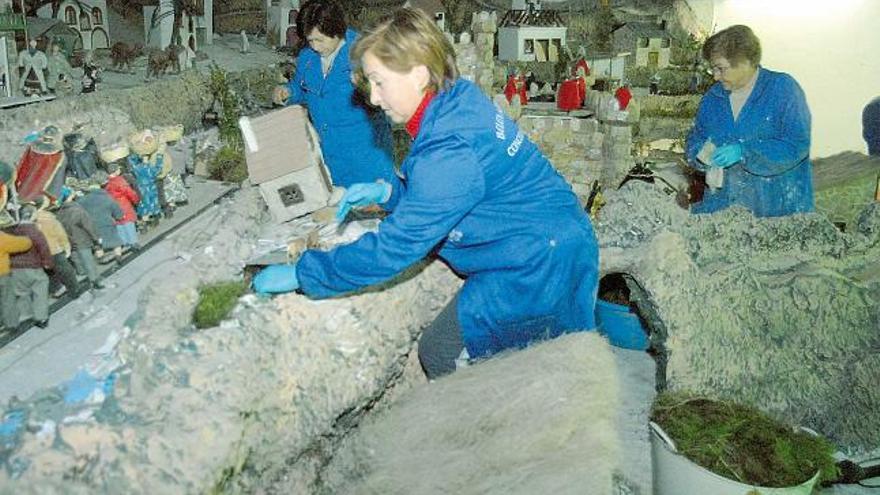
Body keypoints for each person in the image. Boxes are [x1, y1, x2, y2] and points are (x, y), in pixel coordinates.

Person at [254, 8, 599, 379]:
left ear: (418, 75)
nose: (373, 98)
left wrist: (304, 274)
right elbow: (448, 197)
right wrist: (389, 194)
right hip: (546, 237)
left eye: (379, 82)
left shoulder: (449, 151)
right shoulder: (457, 98)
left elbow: (396, 246)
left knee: (451, 355)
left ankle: (481, 429)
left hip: (534, 262)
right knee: (547, 367)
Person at [685, 25, 814, 217]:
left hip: (775, 207)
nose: (715, 76)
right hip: (723, 207)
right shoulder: (713, 98)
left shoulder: (782, 89)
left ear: (745, 62)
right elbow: (696, 138)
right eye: (713, 68)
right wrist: (702, 154)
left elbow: (796, 144)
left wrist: (745, 152)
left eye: (720, 68)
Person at [271, 0, 397, 188]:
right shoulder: (307, 57)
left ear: (337, 31)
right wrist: (288, 92)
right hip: (331, 156)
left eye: (320, 40)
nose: (314, 46)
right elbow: (304, 88)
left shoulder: (363, 53)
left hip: (366, 156)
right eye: (310, 40)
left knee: (372, 208)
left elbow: (387, 97)